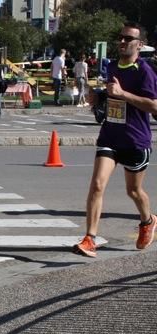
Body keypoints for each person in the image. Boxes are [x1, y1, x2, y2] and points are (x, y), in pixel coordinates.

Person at [73, 22, 157, 258]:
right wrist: (98, 97)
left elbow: (154, 107)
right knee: (97, 184)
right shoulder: (110, 66)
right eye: (120, 38)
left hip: (136, 140)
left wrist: (123, 95)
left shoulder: (145, 72)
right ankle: (90, 238)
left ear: (140, 44)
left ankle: (148, 221)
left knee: (134, 191)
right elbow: (111, 94)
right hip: (110, 135)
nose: (122, 42)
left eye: (128, 39)